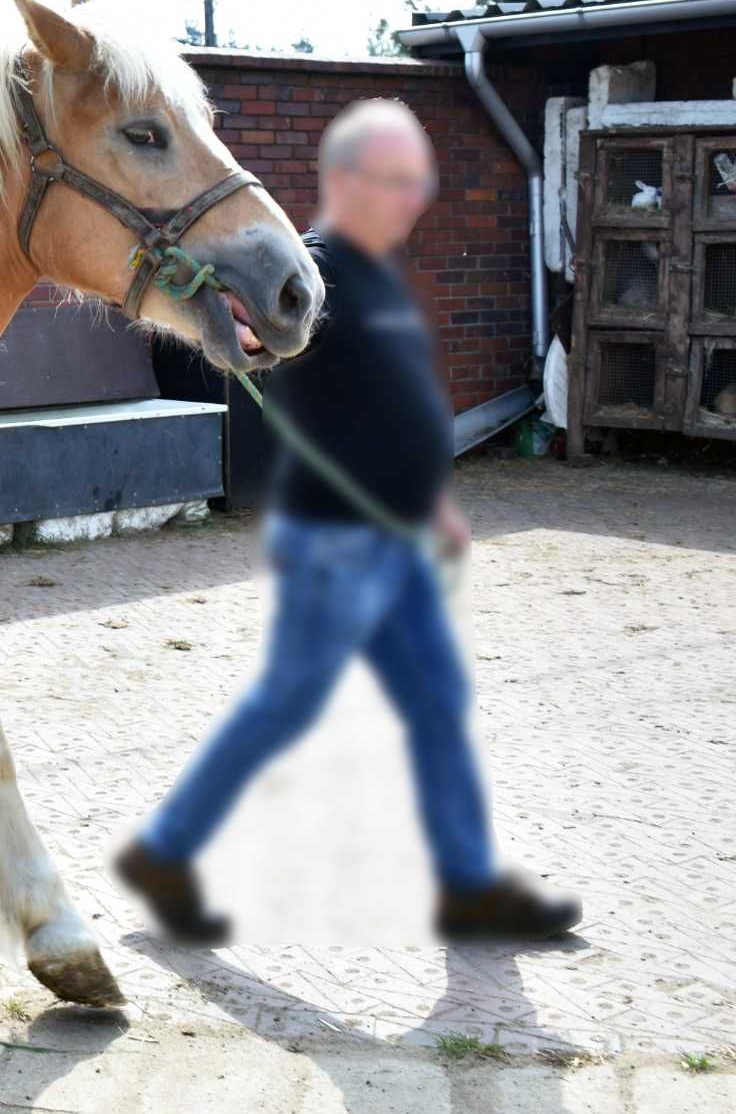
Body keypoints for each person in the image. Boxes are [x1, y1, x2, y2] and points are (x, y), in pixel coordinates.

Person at [115, 99, 581, 944]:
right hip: (335, 540)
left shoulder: (382, 275)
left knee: (429, 701)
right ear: (348, 180)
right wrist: (248, 332)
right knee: (289, 707)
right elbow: (269, 333)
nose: (417, 196)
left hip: (390, 537)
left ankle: (468, 884)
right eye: (400, 180)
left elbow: (397, 405)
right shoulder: (319, 271)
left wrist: (433, 498)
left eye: (420, 181)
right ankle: (168, 850)